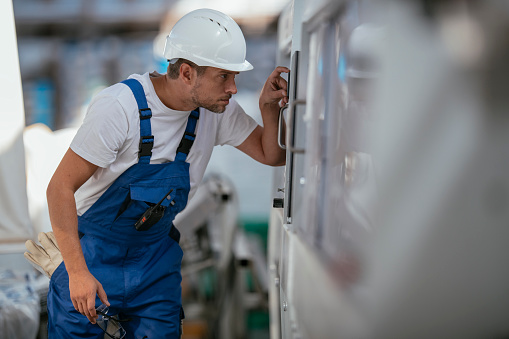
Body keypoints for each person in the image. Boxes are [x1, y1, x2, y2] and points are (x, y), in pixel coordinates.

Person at [45, 8, 288, 338]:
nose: (233, 88)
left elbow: (270, 154)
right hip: (93, 257)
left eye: (236, 77)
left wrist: (269, 108)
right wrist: (76, 271)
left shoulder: (214, 113)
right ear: (187, 73)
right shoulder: (120, 109)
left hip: (154, 262)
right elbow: (59, 188)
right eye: (224, 76)